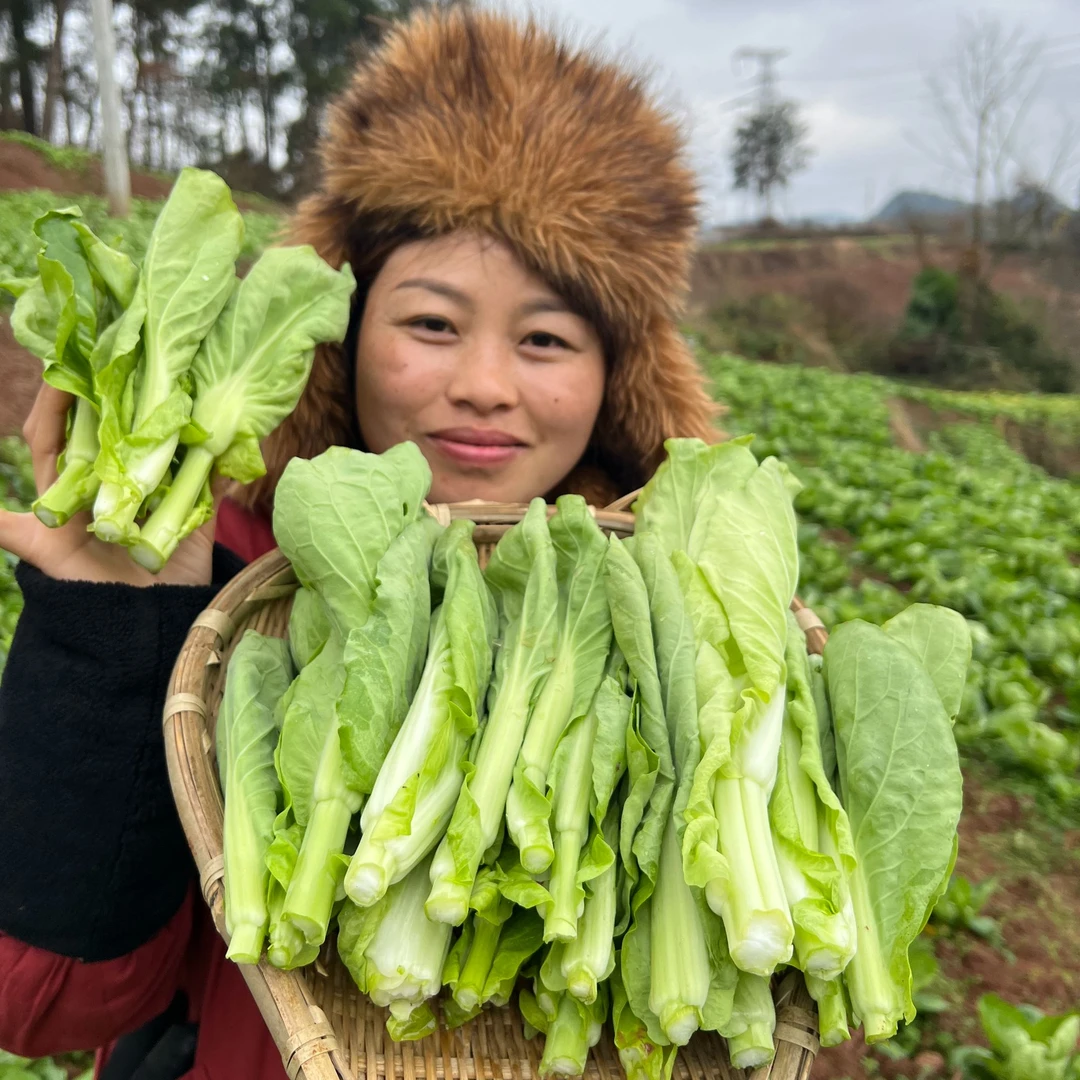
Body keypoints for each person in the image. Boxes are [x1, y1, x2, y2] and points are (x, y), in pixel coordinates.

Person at [0, 7, 719, 1079]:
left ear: (619, 378)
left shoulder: (678, 619)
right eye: (431, 323)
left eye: (546, 339)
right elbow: (41, 1003)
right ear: (340, 333)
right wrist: (114, 631)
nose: (484, 385)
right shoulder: (230, 578)